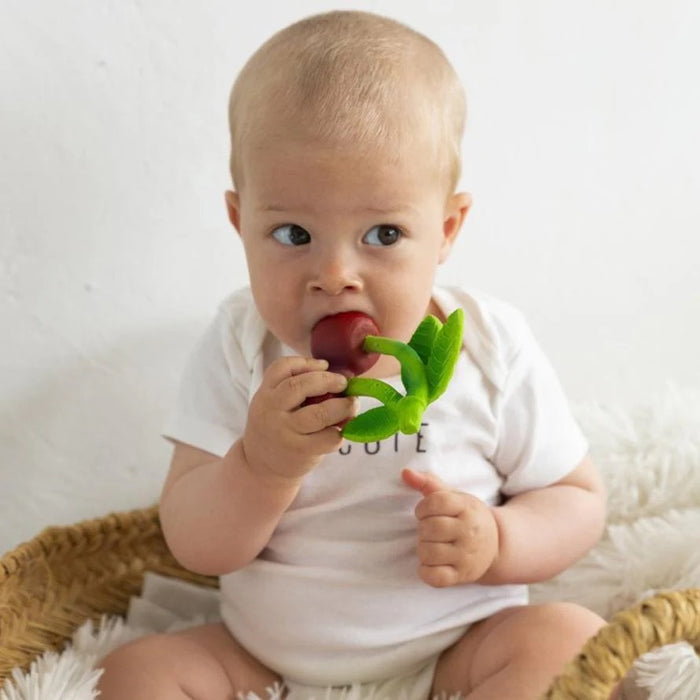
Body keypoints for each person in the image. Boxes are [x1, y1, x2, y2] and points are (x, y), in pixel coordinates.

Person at [97, 10, 614, 700]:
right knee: (137, 674)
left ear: (447, 228)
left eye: (383, 232)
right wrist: (260, 465)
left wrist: (499, 539)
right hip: (266, 663)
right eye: (291, 232)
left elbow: (577, 499)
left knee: (568, 640)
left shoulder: (488, 344)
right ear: (238, 221)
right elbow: (195, 542)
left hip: (461, 651)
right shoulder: (241, 345)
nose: (335, 273)